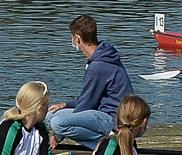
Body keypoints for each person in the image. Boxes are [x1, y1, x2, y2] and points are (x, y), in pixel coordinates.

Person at [46, 15, 130, 147]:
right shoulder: (104, 54)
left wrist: (57, 136)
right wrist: (65, 104)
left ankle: (107, 145)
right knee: (50, 115)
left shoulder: (98, 66)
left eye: (72, 38)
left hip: (114, 118)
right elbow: (90, 99)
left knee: (58, 123)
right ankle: (105, 141)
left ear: (77, 38)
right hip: (102, 111)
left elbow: (87, 104)